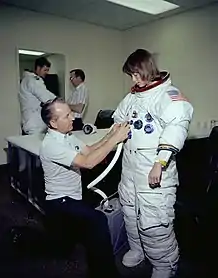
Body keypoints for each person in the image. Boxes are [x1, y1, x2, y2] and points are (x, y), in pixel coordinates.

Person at [113, 49, 193, 278]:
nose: (133, 79)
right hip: (130, 168)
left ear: (146, 69)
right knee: (130, 212)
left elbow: (177, 127)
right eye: (131, 75)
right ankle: (138, 250)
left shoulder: (169, 95)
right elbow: (119, 118)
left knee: (154, 221)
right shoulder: (133, 96)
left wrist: (160, 162)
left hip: (154, 169)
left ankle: (166, 264)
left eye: (136, 74)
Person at [39, 98, 130, 278]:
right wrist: (116, 140)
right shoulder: (51, 144)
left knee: (67, 242)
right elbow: (88, 162)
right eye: (67, 115)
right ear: (53, 123)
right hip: (60, 202)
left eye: (70, 113)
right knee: (97, 221)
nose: (73, 117)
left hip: (73, 196)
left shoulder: (67, 136)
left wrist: (111, 135)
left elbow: (88, 150)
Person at [19, 57, 56, 135]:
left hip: (31, 124)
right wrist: (62, 103)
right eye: (45, 70)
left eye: (48, 70)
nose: (47, 72)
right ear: (38, 68)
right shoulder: (33, 80)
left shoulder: (27, 80)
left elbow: (47, 94)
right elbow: (47, 98)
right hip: (34, 126)